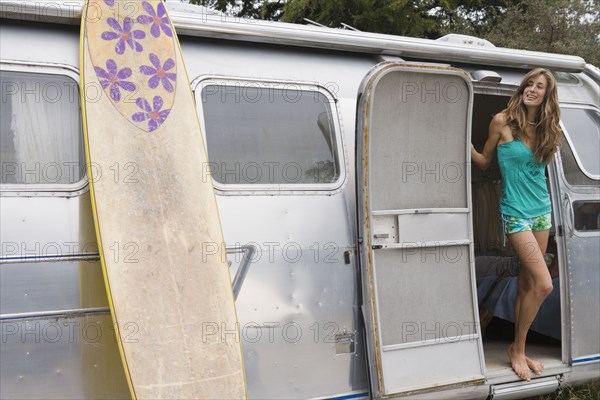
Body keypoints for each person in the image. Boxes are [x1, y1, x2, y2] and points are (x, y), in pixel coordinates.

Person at [471, 68, 561, 381]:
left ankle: (518, 348)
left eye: (540, 87)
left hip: (542, 211)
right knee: (545, 284)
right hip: (515, 213)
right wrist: (461, 143)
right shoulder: (501, 122)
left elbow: (540, 173)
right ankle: (518, 349)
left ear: (547, 97)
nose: (533, 90)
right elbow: (484, 161)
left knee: (527, 283)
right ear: (523, 87)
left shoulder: (548, 129)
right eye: (530, 84)